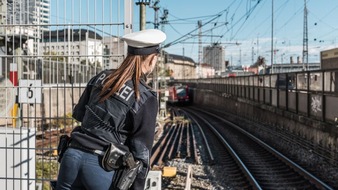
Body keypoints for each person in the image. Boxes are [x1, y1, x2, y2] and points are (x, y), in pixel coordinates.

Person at [55, 29, 166, 190]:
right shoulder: (144, 96)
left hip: (71, 157)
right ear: (152, 58)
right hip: (102, 167)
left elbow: (80, 115)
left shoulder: (101, 77)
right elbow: (142, 153)